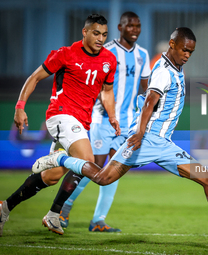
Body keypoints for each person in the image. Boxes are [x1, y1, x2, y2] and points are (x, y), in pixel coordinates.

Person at [32, 27, 208, 242]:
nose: (187, 55)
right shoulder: (163, 71)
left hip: (163, 143)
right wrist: (140, 133)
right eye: (184, 49)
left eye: (191, 52)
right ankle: (60, 158)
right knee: (103, 178)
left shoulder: (175, 67)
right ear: (172, 44)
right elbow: (150, 102)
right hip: (145, 140)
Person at [0, 14, 119, 237]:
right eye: (96, 33)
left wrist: (112, 116)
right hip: (60, 115)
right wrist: (19, 106)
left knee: (52, 176)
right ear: (85, 32)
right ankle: (55, 212)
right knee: (88, 160)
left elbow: (107, 91)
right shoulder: (65, 54)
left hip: (81, 122)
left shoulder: (109, 60)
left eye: (104, 34)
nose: (100, 38)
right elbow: (34, 77)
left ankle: (4, 208)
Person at [59, 11, 151, 232]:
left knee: (115, 168)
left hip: (128, 124)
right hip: (102, 118)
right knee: (95, 165)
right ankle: (63, 208)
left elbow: (146, 88)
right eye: (130, 26)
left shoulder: (143, 55)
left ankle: (98, 220)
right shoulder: (107, 50)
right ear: (120, 28)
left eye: (138, 26)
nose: (135, 30)